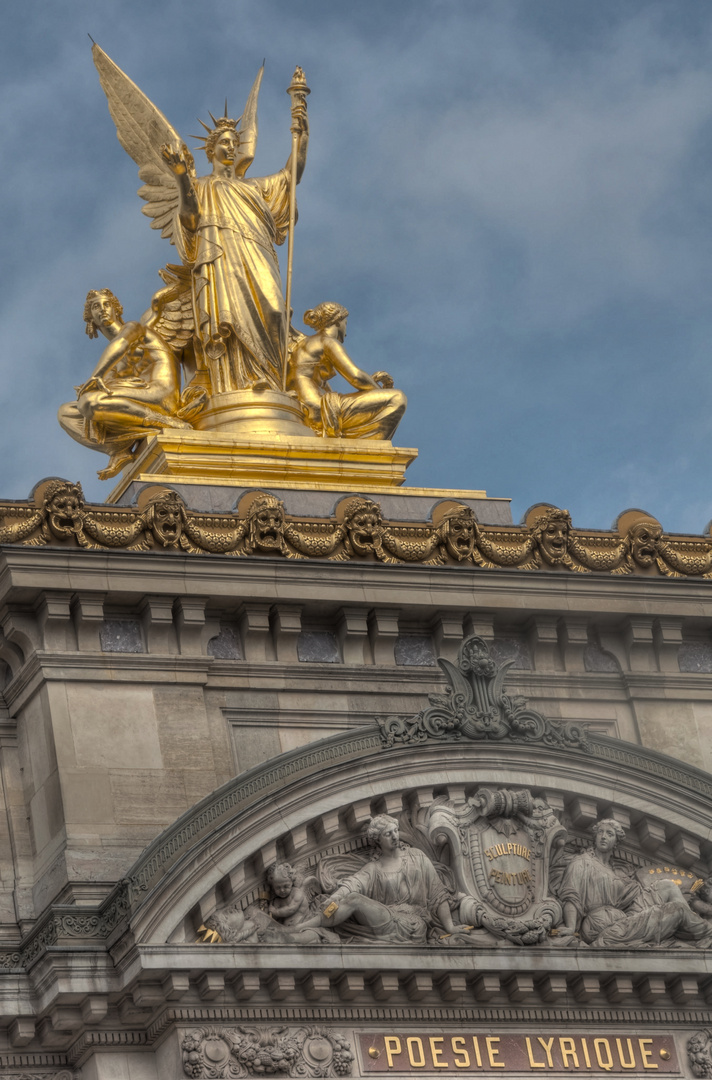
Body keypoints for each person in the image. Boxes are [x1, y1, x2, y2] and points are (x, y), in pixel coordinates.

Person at [162, 103, 309, 394]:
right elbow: (190, 219)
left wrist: (302, 135)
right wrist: (181, 176)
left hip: (259, 252)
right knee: (227, 318)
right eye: (225, 142)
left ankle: (273, 380)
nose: (231, 148)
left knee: (275, 313)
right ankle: (238, 385)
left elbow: (292, 175)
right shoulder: (201, 185)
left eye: (235, 143)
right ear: (211, 149)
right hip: (221, 257)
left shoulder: (255, 187)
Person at [58, 290, 203, 480]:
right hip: (138, 399)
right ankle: (118, 449)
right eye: (96, 307)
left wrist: (97, 376)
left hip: (161, 393)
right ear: (90, 318)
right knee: (66, 412)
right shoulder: (112, 361)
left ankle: (166, 422)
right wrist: (108, 383)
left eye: (106, 304)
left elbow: (121, 344)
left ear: (116, 309)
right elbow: (105, 388)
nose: (102, 310)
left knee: (88, 403)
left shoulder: (135, 328)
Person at [302, 815, 467, 943]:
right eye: (388, 834)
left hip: (413, 924)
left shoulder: (417, 857)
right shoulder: (374, 869)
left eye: (395, 830)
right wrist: (333, 898)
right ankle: (306, 926)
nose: (395, 836)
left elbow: (438, 893)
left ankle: (303, 926)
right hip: (387, 918)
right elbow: (352, 885)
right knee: (348, 898)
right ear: (378, 839)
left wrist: (450, 927)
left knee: (353, 899)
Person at [556, 819, 712, 948]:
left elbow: (632, 897)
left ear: (616, 842)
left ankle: (694, 929)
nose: (603, 836)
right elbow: (571, 896)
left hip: (625, 917)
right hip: (602, 925)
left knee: (667, 885)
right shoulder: (582, 862)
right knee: (677, 909)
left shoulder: (615, 871)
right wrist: (570, 927)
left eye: (609, 834)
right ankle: (706, 932)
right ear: (595, 837)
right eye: (600, 833)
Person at [286, 303, 406, 439]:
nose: (346, 332)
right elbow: (356, 376)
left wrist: (373, 386)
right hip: (319, 408)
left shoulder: (303, 342)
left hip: (304, 406)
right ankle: (368, 446)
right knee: (397, 398)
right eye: (345, 323)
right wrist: (379, 391)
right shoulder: (327, 341)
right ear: (338, 321)